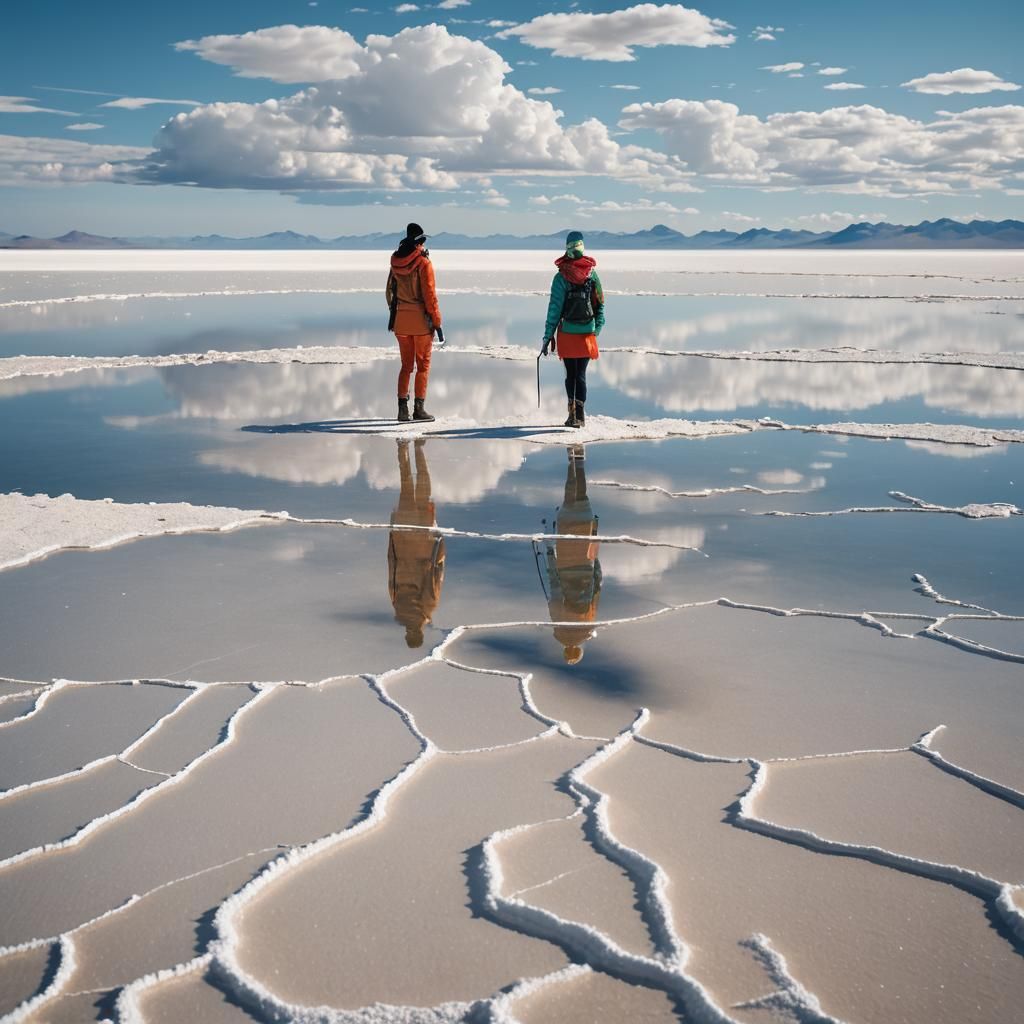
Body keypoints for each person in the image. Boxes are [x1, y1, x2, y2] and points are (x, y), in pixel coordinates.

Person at [539, 445, 602, 664]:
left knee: (581, 496)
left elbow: (596, 585)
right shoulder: (560, 622)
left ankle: (579, 462)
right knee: (568, 500)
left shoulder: (588, 622)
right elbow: (555, 586)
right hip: (565, 556)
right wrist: (548, 553)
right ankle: (573, 462)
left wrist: (595, 545)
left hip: (585, 554)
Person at [540, 229, 605, 428]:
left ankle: (572, 416)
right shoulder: (592, 274)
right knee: (581, 374)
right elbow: (600, 304)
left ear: (567, 248)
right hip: (587, 334)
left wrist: (547, 336)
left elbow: (554, 309)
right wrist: (595, 329)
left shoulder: (561, 277)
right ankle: (580, 415)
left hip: (567, 334)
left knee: (571, 374)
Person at [387, 439, 445, 648]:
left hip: (423, 541)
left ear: (419, 633)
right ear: (406, 634)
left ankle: (418, 447)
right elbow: (391, 567)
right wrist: (392, 533)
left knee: (423, 486)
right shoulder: (396, 605)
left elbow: (435, 576)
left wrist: (440, 544)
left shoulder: (426, 609)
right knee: (406, 484)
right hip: (402, 537)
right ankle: (404, 448)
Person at [386, 223, 444, 422]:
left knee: (406, 366)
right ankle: (419, 410)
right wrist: (437, 322)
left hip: (401, 321)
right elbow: (430, 296)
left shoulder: (395, 262)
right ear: (420, 242)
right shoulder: (423, 264)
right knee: (423, 366)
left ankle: (403, 410)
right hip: (420, 323)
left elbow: (390, 293)